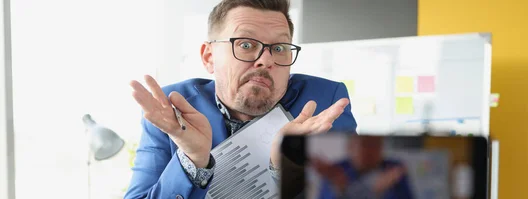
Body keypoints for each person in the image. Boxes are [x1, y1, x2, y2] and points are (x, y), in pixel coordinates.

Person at [123, 0, 357, 198]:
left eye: (279, 48)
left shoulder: (325, 102)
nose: (266, 60)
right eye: (246, 44)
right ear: (209, 57)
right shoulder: (172, 109)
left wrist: (287, 171)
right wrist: (192, 160)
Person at [312, 136, 413, 199]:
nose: (371, 151)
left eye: (376, 145)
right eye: (365, 144)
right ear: (350, 147)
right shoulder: (336, 170)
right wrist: (339, 187)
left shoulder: (393, 169)